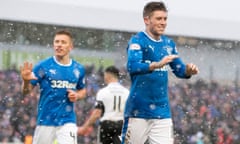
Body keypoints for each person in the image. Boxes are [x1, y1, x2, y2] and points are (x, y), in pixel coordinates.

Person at [121, 1, 199, 144]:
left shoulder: (168, 44)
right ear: (146, 20)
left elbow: (180, 70)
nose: (163, 22)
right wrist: (156, 65)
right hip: (138, 111)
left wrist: (188, 70)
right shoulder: (137, 41)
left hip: (162, 112)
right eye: (158, 19)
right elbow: (133, 66)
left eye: (165, 19)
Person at [20, 30, 87, 144]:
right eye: (56, 42)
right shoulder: (43, 66)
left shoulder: (78, 69)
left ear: (71, 47)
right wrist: (26, 82)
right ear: (53, 45)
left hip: (67, 121)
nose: (59, 44)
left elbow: (83, 90)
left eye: (63, 42)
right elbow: (25, 92)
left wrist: (77, 95)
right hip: (45, 120)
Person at [78, 66, 129, 144]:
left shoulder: (103, 92)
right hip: (121, 125)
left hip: (107, 125)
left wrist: (85, 127)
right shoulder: (126, 92)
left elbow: (97, 113)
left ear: (108, 75)